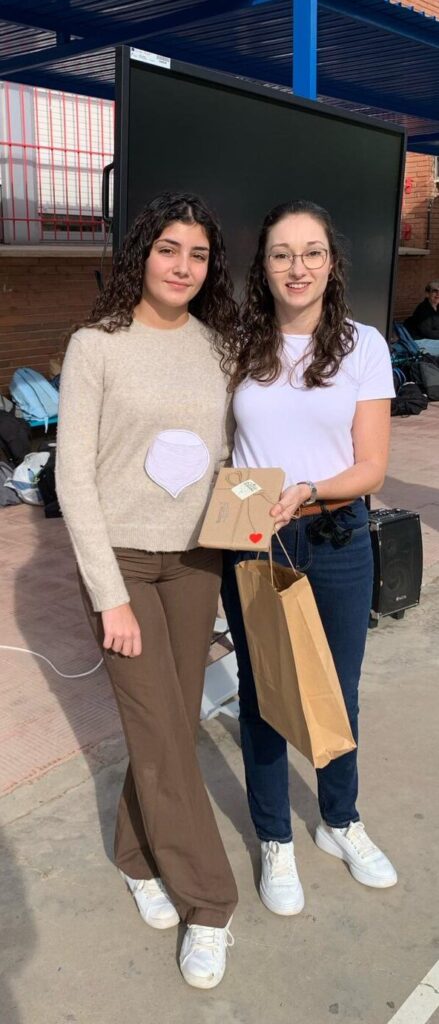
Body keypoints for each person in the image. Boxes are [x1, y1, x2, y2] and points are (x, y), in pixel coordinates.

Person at [56, 192, 239, 989]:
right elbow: (72, 477)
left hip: (195, 563)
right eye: (169, 249)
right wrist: (109, 596)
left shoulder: (218, 346)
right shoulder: (95, 346)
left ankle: (135, 856)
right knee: (164, 731)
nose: (182, 266)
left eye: (198, 254)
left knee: (169, 721)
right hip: (123, 563)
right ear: (143, 253)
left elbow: (227, 456)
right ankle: (210, 903)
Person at [221, 198, 397, 919]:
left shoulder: (363, 345)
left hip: (335, 532)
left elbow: (372, 465)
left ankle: (339, 820)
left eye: (311, 252)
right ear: (262, 267)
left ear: (332, 263)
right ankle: (274, 838)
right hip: (254, 534)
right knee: (264, 694)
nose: (297, 267)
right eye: (281, 254)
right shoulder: (237, 342)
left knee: (336, 689)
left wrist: (310, 490)